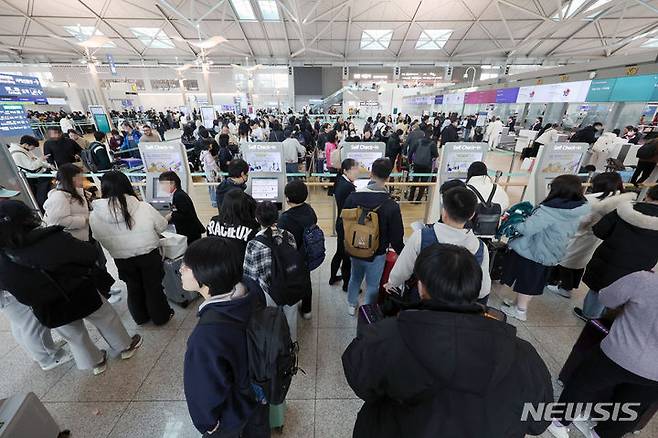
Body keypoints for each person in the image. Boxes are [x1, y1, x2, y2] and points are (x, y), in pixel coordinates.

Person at [343, 243, 553, 438]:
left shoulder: (384, 338)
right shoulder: (522, 354)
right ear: (476, 289)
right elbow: (539, 421)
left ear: (421, 287)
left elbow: (361, 383)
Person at [0, 200, 142, 375]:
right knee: (106, 318)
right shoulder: (51, 238)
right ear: (27, 218)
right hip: (79, 291)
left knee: (74, 336)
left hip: (47, 307)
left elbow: (15, 291)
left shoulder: (4, 258)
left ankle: (96, 362)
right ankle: (125, 347)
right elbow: (88, 254)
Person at [547, 271, 658, 438]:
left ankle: (559, 421)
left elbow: (606, 298)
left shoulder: (644, 280)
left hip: (616, 352)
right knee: (631, 408)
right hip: (654, 374)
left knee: (583, 384)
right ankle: (601, 434)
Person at [181, 237, 270, 438]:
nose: (181, 269)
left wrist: (208, 425)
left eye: (187, 266)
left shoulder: (206, 336)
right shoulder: (251, 289)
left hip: (233, 413)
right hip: (258, 391)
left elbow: (203, 391)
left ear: (206, 276)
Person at [501, 175, 590, 321]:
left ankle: (520, 310)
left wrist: (513, 223)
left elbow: (528, 229)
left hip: (535, 251)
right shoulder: (577, 208)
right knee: (531, 281)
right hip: (552, 251)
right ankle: (517, 303)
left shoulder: (550, 210)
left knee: (527, 282)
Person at [90, 171, 174, 326]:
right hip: (148, 254)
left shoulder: (95, 214)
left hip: (121, 258)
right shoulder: (142, 207)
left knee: (133, 287)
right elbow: (161, 226)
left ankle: (141, 318)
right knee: (153, 287)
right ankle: (161, 317)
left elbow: (96, 236)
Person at [387, 186, 492, 303]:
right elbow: (483, 290)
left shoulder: (422, 236)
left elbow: (401, 272)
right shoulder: (480, 247)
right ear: (472, 215)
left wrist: (392, 283)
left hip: (422, 303)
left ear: (444, 212)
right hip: (458, 309)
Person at [547, 173, 636, 300]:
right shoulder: (622, 200)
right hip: (597, 238)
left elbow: (581, 220)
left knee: (566, 261)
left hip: (580, 235)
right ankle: (565, 285)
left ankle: (564, 288)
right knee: (578, 263)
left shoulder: (592, 201)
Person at [575, 183, 658, 320]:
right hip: (641, 266)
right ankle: (609, 319)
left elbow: (599, 230)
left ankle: (590, 316)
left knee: (599, 287)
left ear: (648, 195)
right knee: (626, 292)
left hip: (611, 259)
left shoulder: (625, 209)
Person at [342, 158, 404, 315]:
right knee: (372, 284)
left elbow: (341, 223)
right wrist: (402, 252)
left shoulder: (353, 197)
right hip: (377, 253)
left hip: (354, 247)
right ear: (389, 177)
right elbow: (397, 236)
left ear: (371, 173)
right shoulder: (391, 205)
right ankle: (368, 310)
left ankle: (351, 304)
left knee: (355, 277)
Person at [243, 201, 299, 339]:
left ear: (257, 219)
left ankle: (275, 345)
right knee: (291, 316)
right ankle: (292, 344)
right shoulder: (288, 235)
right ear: (277, 217)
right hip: (290, 284)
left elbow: (249, 274)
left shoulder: (253, 244)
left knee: (270, 319)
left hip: (268, 290)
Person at [277, 180, 317, 320]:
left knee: (292, 280)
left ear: (287, 199)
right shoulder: (310, 210)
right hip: (306, 254)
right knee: (306, 280)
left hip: (291, 257)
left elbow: (281, 239)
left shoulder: (285, 219)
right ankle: (307, 310)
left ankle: (291, 303)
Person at [330, 159, 359, 291]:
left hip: (340, 222)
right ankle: (347, 285)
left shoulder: (339, 180)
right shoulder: (349, 187)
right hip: (347, 224)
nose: (357, 172)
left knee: (339, 252)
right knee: (347, 256)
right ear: (346, 171)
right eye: (355, 169)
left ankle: (332, 278)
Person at [158, 171, 205, 244]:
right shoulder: (176, 194)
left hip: (190, 232)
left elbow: (186, 215)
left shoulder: (179, 196)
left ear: (172, 183)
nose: (162, 187)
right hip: (187, 231)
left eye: (163, 184)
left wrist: (171, 216)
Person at [9, 135, 54, 208]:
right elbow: (31, 167)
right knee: (37, 196)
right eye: (32, 147)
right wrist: (41, 159)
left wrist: (48, 165)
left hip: (35, 177)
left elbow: (35, 160)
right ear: (26, 145)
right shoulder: (17, 154)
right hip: (29, 180)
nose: (33, 149)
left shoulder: (25, 151)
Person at [407, 137, 438, 202]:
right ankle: (418, 200)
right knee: (423, 183)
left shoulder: (418, 142)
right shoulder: (432, 144)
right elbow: (436, 155)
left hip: (417, 164)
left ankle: (411, 197)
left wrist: (410, 161)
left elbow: (411, 152)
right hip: (427, 166)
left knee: (415, 180)